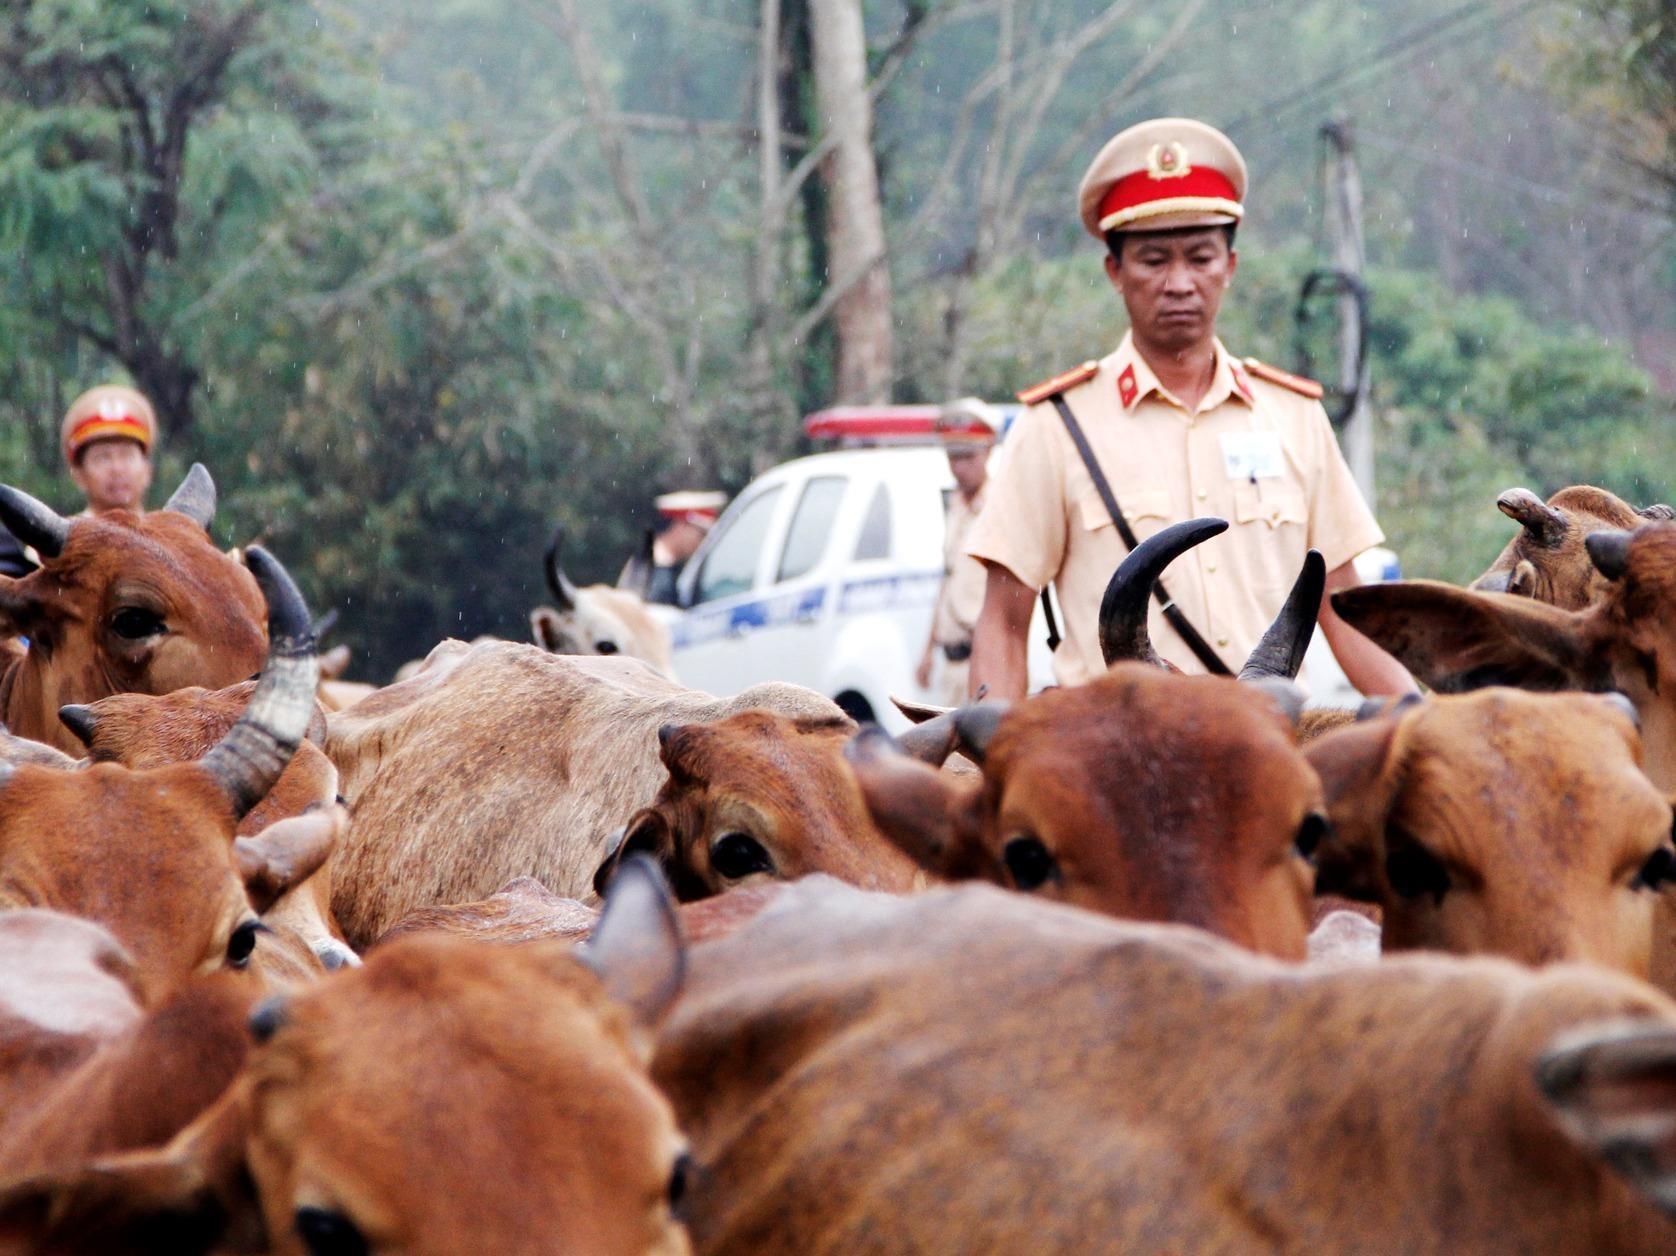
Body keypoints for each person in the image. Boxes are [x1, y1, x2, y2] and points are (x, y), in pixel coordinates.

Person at [966, 117, 1415, 702]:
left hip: (1268, 758)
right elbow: (1003, 621)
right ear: (1115, 272)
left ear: (1229, 266)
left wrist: (1424, 719)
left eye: (1200, 257)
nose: (1179, 282)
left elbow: (1342, 605)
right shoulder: (1055, 428)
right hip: (1117, 761)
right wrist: (988, 757)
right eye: (1153, 260)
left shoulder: (1294, 417)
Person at [915, 398, 998, 704]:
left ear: (988, 450)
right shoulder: (955, 507)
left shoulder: (999, 507)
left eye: (968, 457)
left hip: (983, 662)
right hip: (950, 663)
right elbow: (947, 581)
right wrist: (927, 652)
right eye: (953, 457)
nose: (959, 467)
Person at [61, 384, 157, 516]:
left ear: (147, 470)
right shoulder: (58, 536)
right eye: (102, 458)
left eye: (127, 456)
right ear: (79, 476)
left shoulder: (170, 535)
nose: (117, 469)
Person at [631, 490, 726, 605]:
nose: (702, 541)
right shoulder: (657, 574)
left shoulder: (646, 562)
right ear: (681, 526)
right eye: (701, 534)